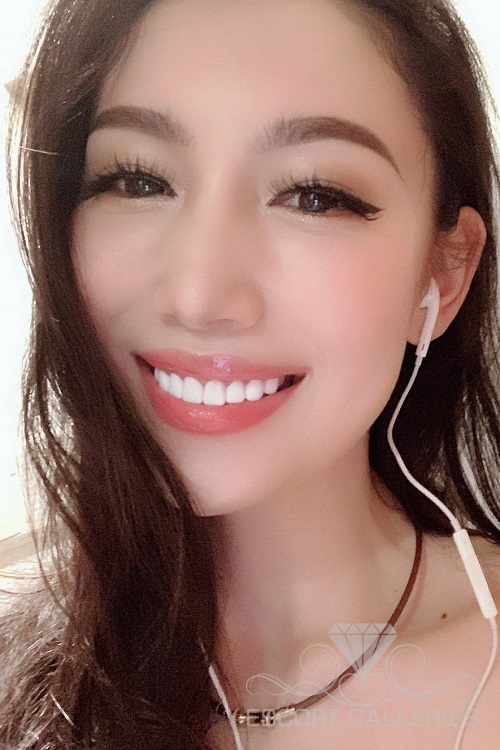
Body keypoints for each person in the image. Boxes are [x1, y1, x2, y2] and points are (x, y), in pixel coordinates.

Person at [1, 0, 500, 747]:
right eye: (136, 180)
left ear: (444, 270)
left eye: (314, 196)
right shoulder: (22, 669)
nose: (198, 296)